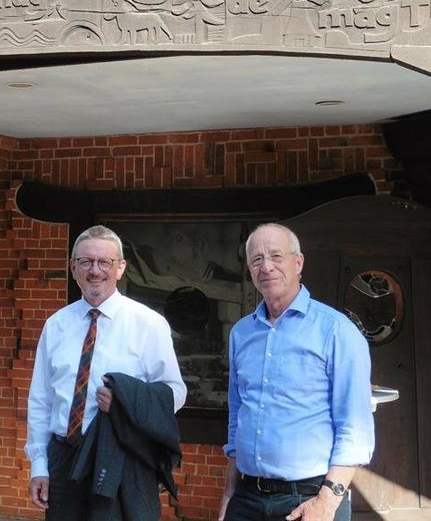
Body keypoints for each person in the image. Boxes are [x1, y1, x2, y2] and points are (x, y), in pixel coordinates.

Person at [26, 225, 187, 520]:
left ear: (121, 268)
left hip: (119, 459)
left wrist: (126, 404)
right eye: (86, 261)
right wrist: (39, 465)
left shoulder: (148, 324)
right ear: (73, 267)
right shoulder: (56, 325)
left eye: (105, 262)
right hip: (63, 458)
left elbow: (175, 393)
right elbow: (41, 401)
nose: (95, 270)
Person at [219, 223, 374, 521]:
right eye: (256, 259)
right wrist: (229, 492)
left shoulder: (337, 331)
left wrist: (326, 503)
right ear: (250, 270)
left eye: (276, 256)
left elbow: (355, 429)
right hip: (247, 499)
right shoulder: (241, 333)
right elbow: (237, 417)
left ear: (298, 262)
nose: (266, 266)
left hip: (310, 500)